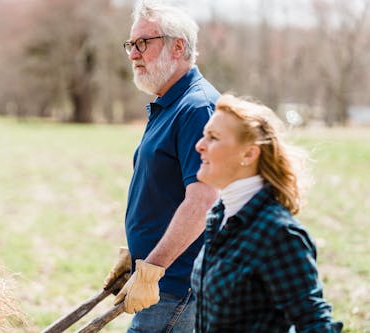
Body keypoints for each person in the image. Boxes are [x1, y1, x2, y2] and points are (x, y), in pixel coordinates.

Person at [102, 1, 220, 332]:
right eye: (130, 45)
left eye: (143, 43)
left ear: (178, 46)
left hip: (176, 288)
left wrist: (152, 267)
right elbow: (164, 191)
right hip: (162, 281)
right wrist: (137, 254)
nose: (133, 54)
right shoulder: (169, 103)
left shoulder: (197, 109)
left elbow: (203, 201)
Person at [191, 94, 343, 332]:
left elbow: (316, 324)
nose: (200, 145)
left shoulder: (278, 234)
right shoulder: (219, 217)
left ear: (249, 154)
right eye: (204, 135)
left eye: (214, 137)